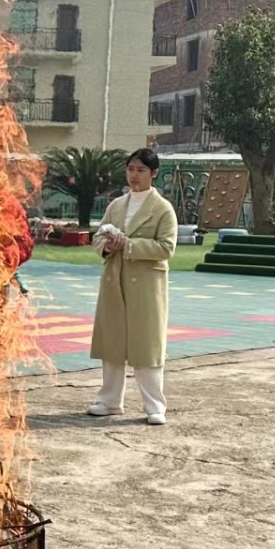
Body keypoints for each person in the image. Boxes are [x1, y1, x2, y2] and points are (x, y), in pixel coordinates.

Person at [88, 147, 177, 425]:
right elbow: (98, 237)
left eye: (140, 170)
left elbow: (166, 247)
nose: (134, 176)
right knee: (112, 343)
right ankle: (110, 400)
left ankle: (155, 405)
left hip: (146, 286)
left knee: (146, 346)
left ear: (154, 173)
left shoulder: (162, 208)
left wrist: (129, 244)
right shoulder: (116, 205)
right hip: (115, 279)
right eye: (130, 169)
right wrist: (108, 245)